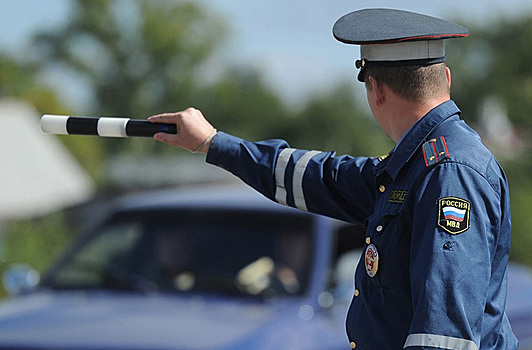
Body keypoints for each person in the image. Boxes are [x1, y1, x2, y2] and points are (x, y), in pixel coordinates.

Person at [148, 8, 518, 350]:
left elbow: (443, 338)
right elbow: (322, 177)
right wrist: (213, 143)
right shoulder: (419, 165)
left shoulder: (446, 172)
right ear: (446, 79)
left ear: (376, 89)